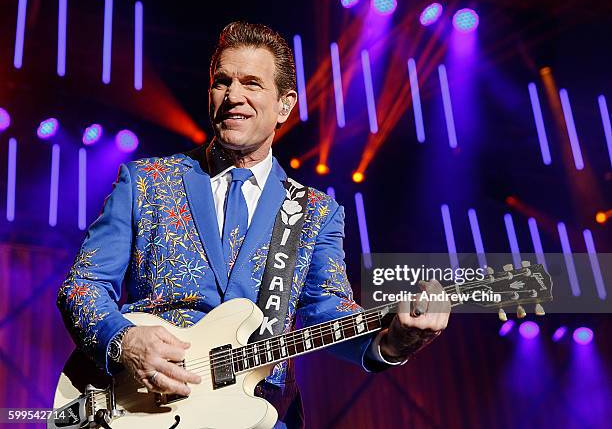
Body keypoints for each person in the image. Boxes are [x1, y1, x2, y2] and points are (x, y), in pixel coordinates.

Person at [57, 21, 450, 428]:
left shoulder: (316, 212)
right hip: (144, 410)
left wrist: (392, 344)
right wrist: (123, 341)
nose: (233, 96)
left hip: (261, 415)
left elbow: (329, 313)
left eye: (251, 83)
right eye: (222, 81)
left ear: (285, 105)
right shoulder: (146, 182)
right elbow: (82, 285)